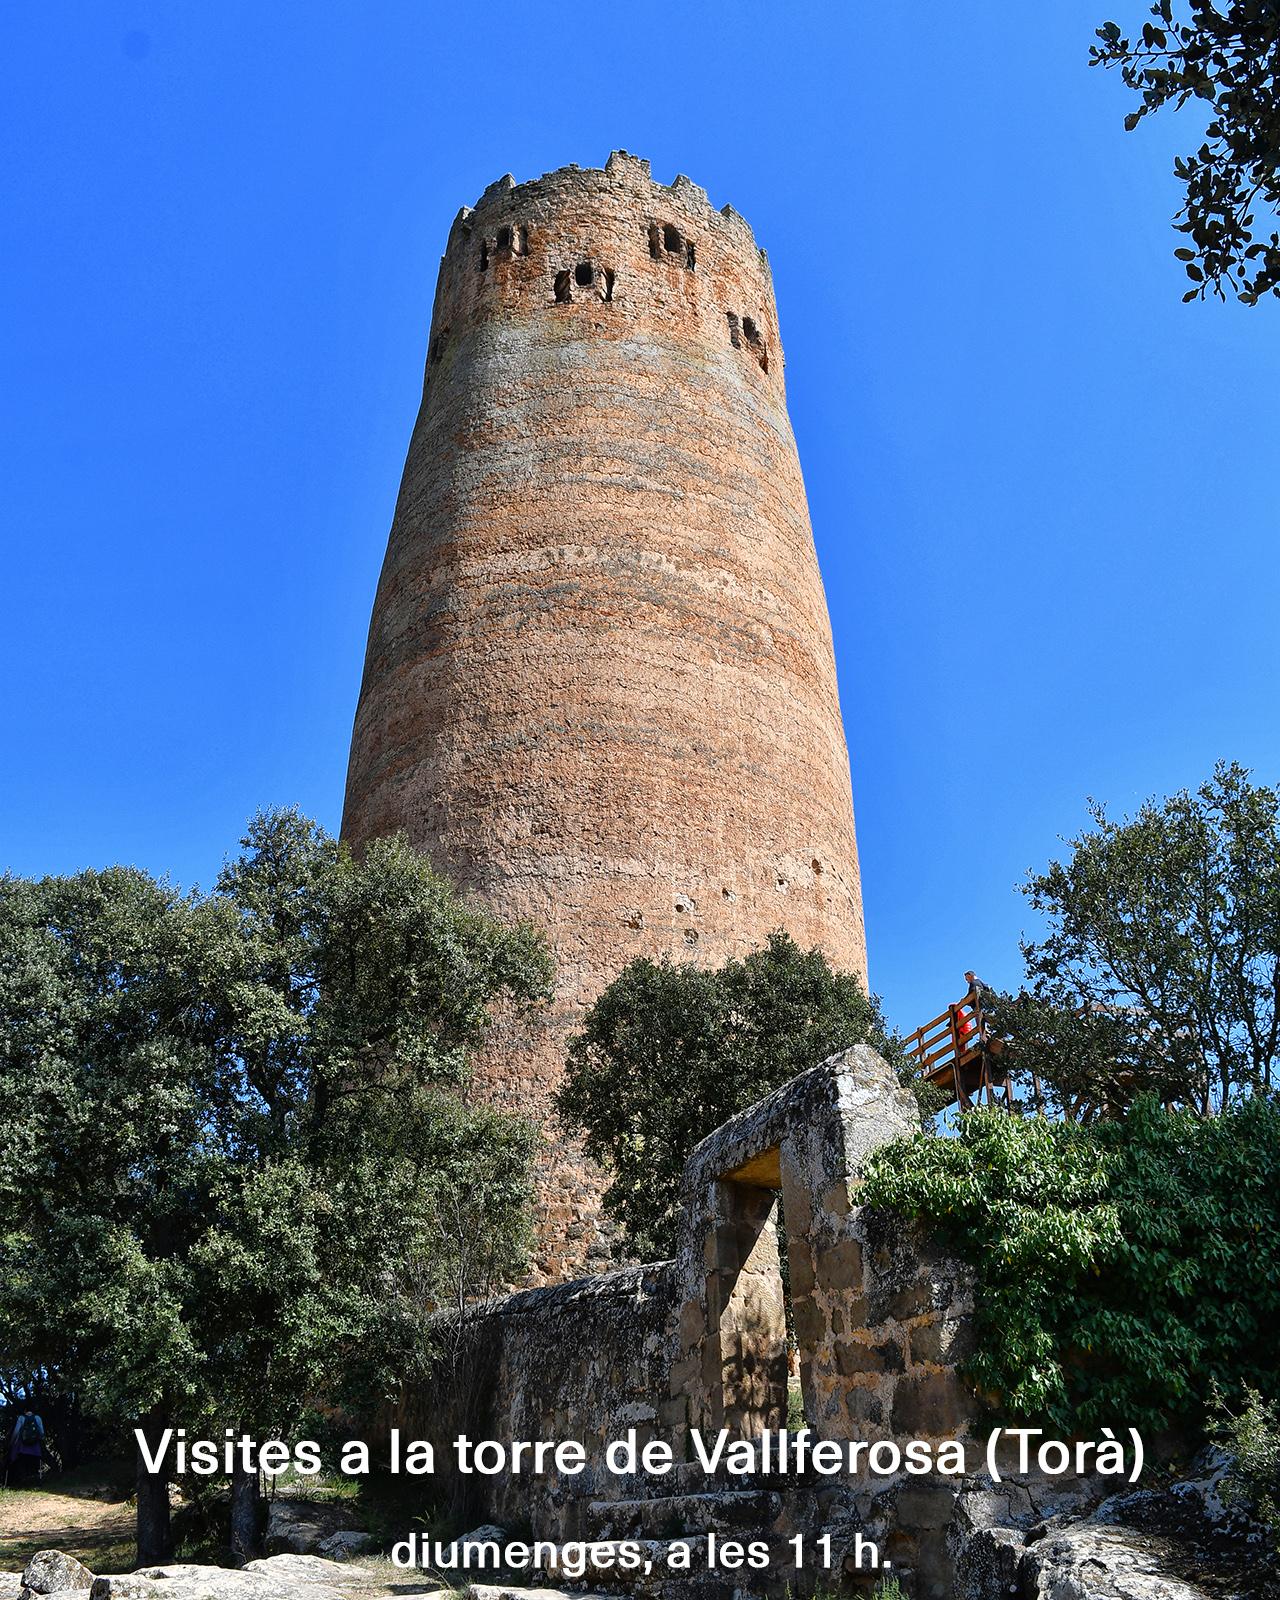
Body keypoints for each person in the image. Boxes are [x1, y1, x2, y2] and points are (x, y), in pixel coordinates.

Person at [7, 1406, 45, 1486]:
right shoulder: (37, 1418)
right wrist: (40, 1439)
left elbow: (16, 1431)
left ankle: (23, 1481)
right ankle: (35, 1480)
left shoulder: (21, 1418)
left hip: (22, 1445)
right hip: (35, 1445)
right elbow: (41, 1432)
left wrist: (12, 1442)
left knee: (22, 1461)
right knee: (34, 1462)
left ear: (25, 1411)